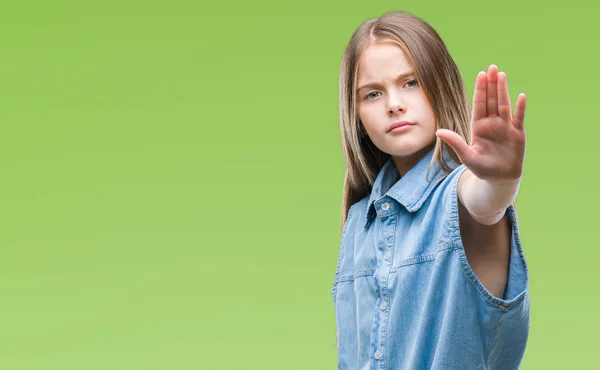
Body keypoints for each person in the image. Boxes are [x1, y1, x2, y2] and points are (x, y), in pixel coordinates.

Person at [332, 10, 530, 370]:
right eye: (373, 94)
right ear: (356, 115)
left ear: (440, 85)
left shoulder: (460, 197)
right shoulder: (359, 222)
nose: (394, 104)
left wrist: (501, 182)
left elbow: (484, 203)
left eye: (411, 82)